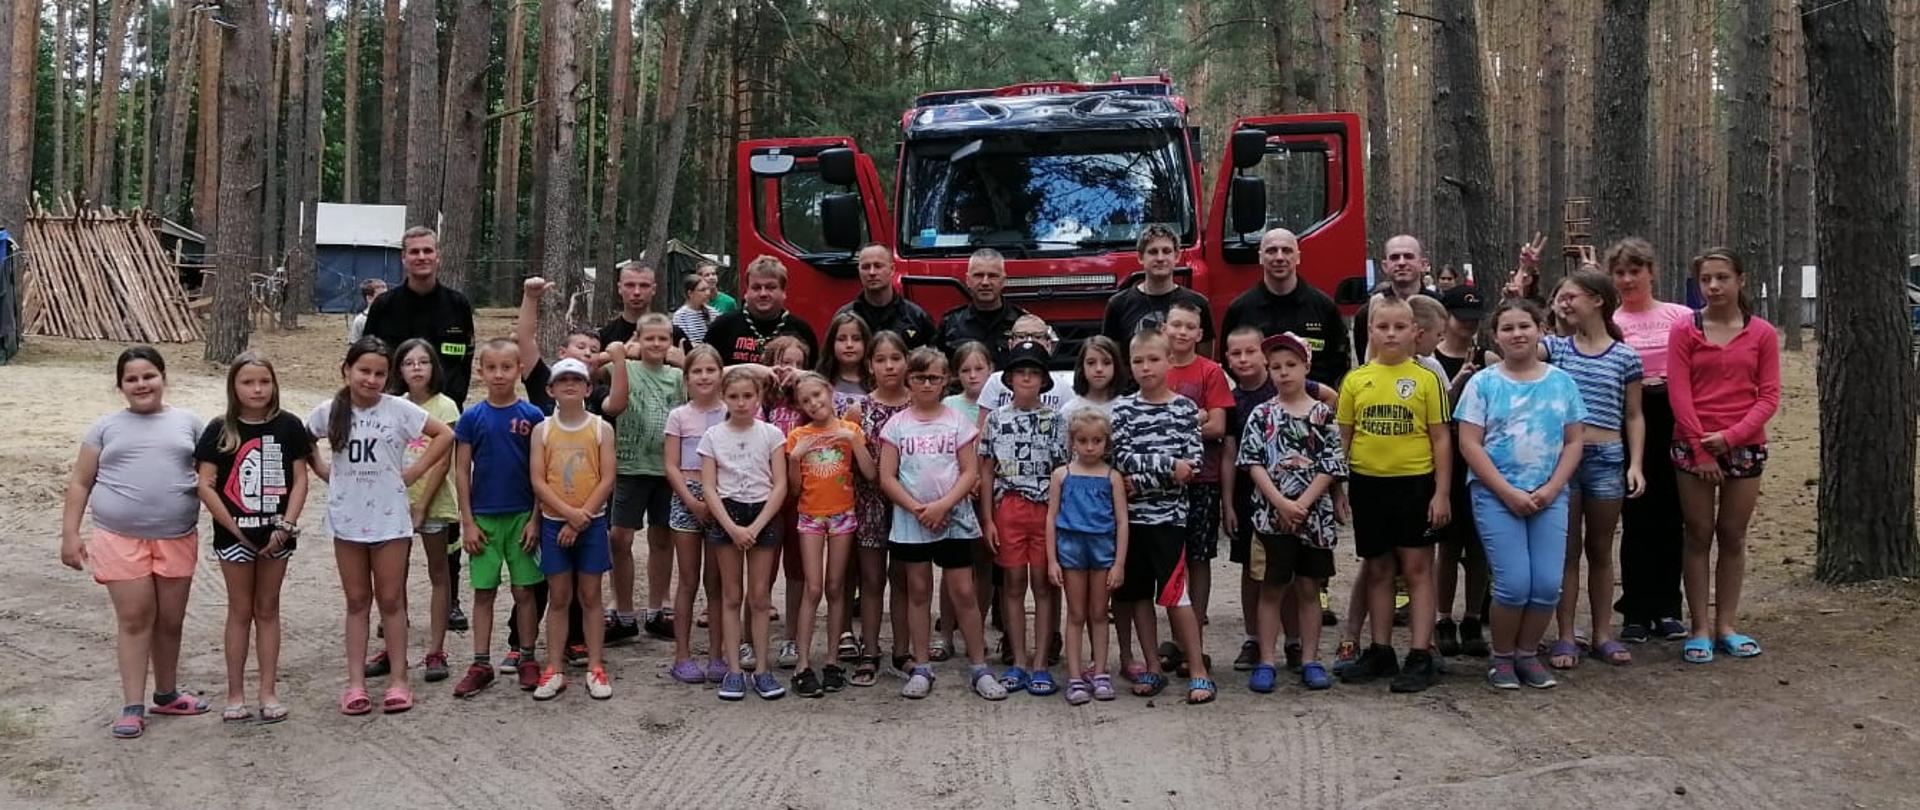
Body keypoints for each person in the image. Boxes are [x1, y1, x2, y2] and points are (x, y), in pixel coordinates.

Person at [61, 347, 209, 738]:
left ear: (163, 378)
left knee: (171, 621)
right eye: (132, 379)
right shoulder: (105, 428)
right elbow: (80, 481)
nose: (142, 384)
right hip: (119, 536)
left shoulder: (189, 423)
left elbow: (209, 477)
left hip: (176, 536)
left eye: (149, 376)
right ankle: (132, 705)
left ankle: (167, 693)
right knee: (135, 619)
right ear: (120, 386)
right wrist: (70, 534)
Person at [306, 337, 455, 715]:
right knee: (357, 601)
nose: (371, 380)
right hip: (347, 518)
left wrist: (413, 471)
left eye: (379, 373)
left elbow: (446, 434)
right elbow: (304, 438)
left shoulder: (399, 410)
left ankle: (399, 679)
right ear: (347, 370)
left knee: (391, 599)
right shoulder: (330, 410)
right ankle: (355, 683)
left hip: (389, 519)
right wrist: (324, 471)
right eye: (364, 371)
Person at [1456, 298, 1586, 689]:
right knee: (1513, 584)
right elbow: (1470, 443)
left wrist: (1551, 489)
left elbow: (1574, 441)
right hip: (1497, 496)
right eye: (1508, 328)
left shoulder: (1561, 382)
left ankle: (1528, 654)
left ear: (1540, 330)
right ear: (1495, 336)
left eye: (1524, 326)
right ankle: (1503, 657)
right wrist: (1506, 491)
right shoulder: (1484, 383)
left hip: (1549, 495)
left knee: (1547, 584)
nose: (1517, 334)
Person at [1335, 294, 1451, 694]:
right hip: (1369, 485)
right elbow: (1344, 440)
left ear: (1415, 333)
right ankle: (1380, 649)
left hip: (1414, 486)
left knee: (1417, 571)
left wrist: (1442, 493)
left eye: (1399, 327)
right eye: (1382, 327)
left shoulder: (1426, 379)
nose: (1390, 334)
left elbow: (1440, 438)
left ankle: (1420, 653)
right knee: (1379, 569)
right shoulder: (1355, 381)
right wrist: (1339, 489)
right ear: (1370, 331)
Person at [1668, 249, 1779, 664]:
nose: (1713, 287)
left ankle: (1726, 624)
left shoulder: (1762, 333)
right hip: (1693, 446)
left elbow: (1768, 396)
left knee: (1732, 534)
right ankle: (1698, 626)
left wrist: (1730, 438)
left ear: (1740, 281)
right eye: (1706, 280)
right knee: (1698, 534)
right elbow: (1679, 392)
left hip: (1744, 445)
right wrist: (1701, 449)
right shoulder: (1685, 330)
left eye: (1722, 278)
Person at [880, 347, 1006, 701]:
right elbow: (887, 476)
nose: (927, 384)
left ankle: (979, 666)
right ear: (909, 381)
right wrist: (919, 508)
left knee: (964, 592)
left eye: (934, 378)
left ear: (944, 380)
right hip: (912, 522)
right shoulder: (897, 425)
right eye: (919, 378)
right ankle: (921, 666)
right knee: (918, 592)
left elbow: (970, 471)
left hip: (953, 520)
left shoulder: (956, 422)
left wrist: (944, 505)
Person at [194, 353, 312, 724]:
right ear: (234, 387)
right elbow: (206, 484)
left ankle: (268, 690)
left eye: (264, 381)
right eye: (248, 382)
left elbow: (300, 480)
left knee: (268, 608)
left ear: (274, 384)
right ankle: (234, 693)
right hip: (235, 537)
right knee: (240, 610)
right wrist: (235, 530)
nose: (257, 389)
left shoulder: (290, 426)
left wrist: (286, 527)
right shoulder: (219, 430)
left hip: (277, 536)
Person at [1544, 268, 1646, 669]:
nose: (1567, 303)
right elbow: (1509, 348)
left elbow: (1634, 415)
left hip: (1607, 459)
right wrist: (1525, 291)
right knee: (1566, 552)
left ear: (1598, 300)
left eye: (1573, 296)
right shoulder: (1556, 350)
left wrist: (1636, 464)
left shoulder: (1625, 356)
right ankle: (1566, 635)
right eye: (1562, 297)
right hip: (1564, 462)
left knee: (1601, 550)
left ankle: (1603, 633)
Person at [1237, 333, 1347, 692]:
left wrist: (1303, 503)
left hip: (1314, 520)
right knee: (1271, 588)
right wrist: (1281, 503)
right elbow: (1252, 463)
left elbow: (1331, 464)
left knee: (1308, 589)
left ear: (1306, 367)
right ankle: (1267, 660)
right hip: (1271, 518)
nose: (1283, 373)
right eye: (1276, 367)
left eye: (1291, 366)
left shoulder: (1322, 414)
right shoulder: (1262, 414)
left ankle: (1311, 658)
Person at [1111, 325, 1214, 704]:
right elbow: (1121, 460)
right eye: (1138, 361)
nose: (1146, 367)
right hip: (1130, 523)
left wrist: (1150, 476)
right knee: (1137, 596)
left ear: (1170, 361)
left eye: (1153, 359)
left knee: (1176, 596)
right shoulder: (1122, 408)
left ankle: (1198, 670)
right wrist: (1168, 465)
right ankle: (1153, 667)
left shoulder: (1185, 408)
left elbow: (1193, 466)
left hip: (1169, 521)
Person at [1608, 237, 1696, 644]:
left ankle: (1668, 607)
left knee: (1672, 516)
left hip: (1675, 421)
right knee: (1637, 516)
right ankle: (1636, 609)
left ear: (1651, 272)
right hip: (1629, 423)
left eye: (1635, 271)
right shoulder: (1611, 322)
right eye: (1620, 273)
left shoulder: (1681, 316)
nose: (1628, 279)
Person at [450, 339, 548, 696]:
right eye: (491, 368)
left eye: (507, 367)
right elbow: (461, 472)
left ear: (519, 370)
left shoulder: (533, 417)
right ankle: (480, 662)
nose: (499, 374)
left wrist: (537, 519)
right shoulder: (472, 417)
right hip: (484, 520)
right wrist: (468, 522)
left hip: (522, 516)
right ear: (481, 372)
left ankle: (527, 656)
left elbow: (541, 473)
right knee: (484, 592)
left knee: (525, 590)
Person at [978, 341, 1070, 697]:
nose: (1027, 380)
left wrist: (1060, 517)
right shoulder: (997, 420)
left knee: (1044, 586)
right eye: (1021, 373)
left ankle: (1041, 663)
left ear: (1044, 381)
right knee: (1013, 584)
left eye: (1034, 373)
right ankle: (1017, 659)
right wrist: (987, 518)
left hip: (1046, 510)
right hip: (1009, 507)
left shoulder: (1057, 420)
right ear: (1010, 379)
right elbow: (986, 471)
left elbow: (1063, 471)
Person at [366, 340, 460, 685]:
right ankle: (394, 649)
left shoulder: (445, 406)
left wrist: (422, 504)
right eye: (409, 363)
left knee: (439, 573)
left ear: (434, 367)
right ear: (399, 370)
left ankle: (436, 649)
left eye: (424, 361)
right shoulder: (392, 406)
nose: (417, 368)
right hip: (394, 505)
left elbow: (443, 458)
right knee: (394, 578)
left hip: (433, 502)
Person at [527, 358, 618, 701]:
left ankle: (595, 666)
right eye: (562, 380)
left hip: (591, 524)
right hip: (554, 524)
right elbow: (537, 479)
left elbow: (608, 476)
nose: (569, 385)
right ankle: (554, 667)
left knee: (591, 596)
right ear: (550, 389)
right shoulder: (543, 430)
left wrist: (582, 517)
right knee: (559, 596)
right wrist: (568, 515)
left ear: (588, 388)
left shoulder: (600, 428)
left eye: (576, 380)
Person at [700, 365, 791, 701]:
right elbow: (708, 487)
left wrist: (755, 526)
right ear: (724, 397)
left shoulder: (771, 434)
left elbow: (780, 484)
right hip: (728, 514)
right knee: (731, 595)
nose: (741, 403)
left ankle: (763, 670)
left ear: (759, 398)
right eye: (734, 396)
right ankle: (734, 669)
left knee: (760, 597)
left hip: (762, 513)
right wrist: (732, 527)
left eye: (748, 396)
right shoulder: (713, 436)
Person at [784, 372, 876, 697]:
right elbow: (794, 490)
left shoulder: (850, 430)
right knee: (813, 587)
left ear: (830, 393)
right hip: (810, 515)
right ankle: (803, 663)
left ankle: (833, 660)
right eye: (806, 400)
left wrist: (852, 440)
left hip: (843, 514)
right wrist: (795, 459)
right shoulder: (797, 436)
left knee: (836, 587)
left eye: (817, 396)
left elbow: (869, 473)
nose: (814, 404)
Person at [604, 313, 685, 644]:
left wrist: (689, 358)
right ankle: (623, 612)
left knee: (662, 537)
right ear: (637, 339)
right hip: (629, 466)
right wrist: (618, 353)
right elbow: (593, 366)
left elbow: (714, 377)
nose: (656, 344)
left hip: (667, 468)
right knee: (619, 537)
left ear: (670, 343)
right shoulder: (623, 368)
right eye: (649, 338)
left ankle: (657, 609)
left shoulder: (678, 376)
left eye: (662, 339)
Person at [1160, 300, 1235, 645]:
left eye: (1190, 327)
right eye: (1176, 325)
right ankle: (1177, 636)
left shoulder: (1210, 372)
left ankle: (1197, 631)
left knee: (1199, 556)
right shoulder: (1156, 369)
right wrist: (1196, 418)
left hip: (1203, 480)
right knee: (1170, 556)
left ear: (1200, 333)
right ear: (1165, 328)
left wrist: (1172, 425)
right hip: (1162, 482)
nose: (1182, 332)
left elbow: (1219, 425)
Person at [1431, 285, 1496, 659]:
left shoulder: (1489, 358)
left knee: (1478, 545)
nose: (1468, 327)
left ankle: (1472, 616)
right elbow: (1437, 413)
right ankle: (1443, 617)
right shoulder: (1432, 360)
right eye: (1461, 319)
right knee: (1448, 544)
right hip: (1447, 461)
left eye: (1474, 320)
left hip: (1481, 460)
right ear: (1446, 318)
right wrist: (1458, 383)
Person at [1047, 409, 1128, 705]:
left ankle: (1102, 671)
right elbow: (1051, 518)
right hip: (1071, 549)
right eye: (1083, 440)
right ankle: (1075, 676)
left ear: (1106, 443)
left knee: (1098, 613)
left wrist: (1119, 563)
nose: (1090, 447)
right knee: (1076, 613)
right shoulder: (1062, 475)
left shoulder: (1112, 476)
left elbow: (1122, 521)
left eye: (1096, 441)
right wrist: (1052, 559)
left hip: (1102, 550)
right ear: (1072, 441)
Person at [848, 331, 912, 687]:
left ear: (906, 361)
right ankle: (869, 649)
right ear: (870, 366)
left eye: (896, 358)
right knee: (871, 580)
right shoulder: (860, 409)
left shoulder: (917, 405)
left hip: (906, 506)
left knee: (904, 579)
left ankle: (902, 649)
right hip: (869, 504)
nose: (889, 366)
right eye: (881, 360)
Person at [664, 345, 729, 685]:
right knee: (688, 579)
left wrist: (715, 501)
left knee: (717, 582)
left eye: (711, 370)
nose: (704, 377)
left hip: (722, 499)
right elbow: (671, 465)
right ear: (686, 378)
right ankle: (682, 655)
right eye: (697, 372)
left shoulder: (732, 412)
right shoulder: (679, 416)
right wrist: (691, 500)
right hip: (687, 498)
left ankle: (718, 654)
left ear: (721, 374)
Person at [1219, 228, 1351, 387]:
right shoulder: (1240, 309)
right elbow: (1229, 360)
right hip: (1258, 402)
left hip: (1313, 403)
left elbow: (1339, 361)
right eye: (1271, 251)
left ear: (1298, 257)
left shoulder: (1324, 307)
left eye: (1287, 251)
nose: (1279, 257)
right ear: (1260, 258)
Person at [361, 227, 476, 406]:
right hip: (392, 408)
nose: (421, 257)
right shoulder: (383, 306)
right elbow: (367, 357)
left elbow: (465, 361)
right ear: (404, 258)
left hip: (444, 411)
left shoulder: (458, 304)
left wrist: (454, 400)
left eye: (428, 251)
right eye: (414, 252)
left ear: (438, 257)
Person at [1102, 224, 1213, 354]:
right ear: (1140, 257)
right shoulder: (1118, 306)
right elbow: (1112, 362)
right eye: (1153, 252)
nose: (1160, 258)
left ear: (1176, 256)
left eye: (1166, 251)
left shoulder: (1199, 304)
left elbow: (1205, 361)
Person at [706, 256, 819, 365]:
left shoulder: (801, 331)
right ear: (747, 291)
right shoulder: (723, 327)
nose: (763, 294)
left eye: (770, 287)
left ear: (783, 291)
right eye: (756, 288)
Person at [1352, 234, 1441, 363]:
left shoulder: (1440, 307)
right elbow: (1364, 364)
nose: (1401, 262)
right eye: (1394, 258)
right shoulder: (1367, 313)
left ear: (1423, 264)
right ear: (1385, 266)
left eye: (1408, 256)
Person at [936, 248, 1029, 362]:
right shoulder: (950, 324)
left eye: (993, 276)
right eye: (978, 275)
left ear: (1003, 281)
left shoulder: (1023, 323)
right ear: (968, 280)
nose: (985, 282)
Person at [839, 244, 936, 349]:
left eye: (878, 266)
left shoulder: (916, 318)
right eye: (865, 267)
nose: (872, 272)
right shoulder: (845, 317)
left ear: (892, 269)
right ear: (859, 271)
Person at [1061, 335, 1128, 420]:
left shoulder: (1127, 408)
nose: (1099, 369)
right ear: (1082, 367)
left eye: (1106, 363)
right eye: (1091, 363)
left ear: (1116, 366)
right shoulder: (1069, 411)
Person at [598, 261, 660, 347]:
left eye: (644, 285)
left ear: (653, 289)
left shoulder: (672, 334)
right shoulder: (603, 337)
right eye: (630, 285)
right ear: (619, 288)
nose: (637, 292)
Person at [817, 311, 873, 402]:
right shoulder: (818, 381)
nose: (849, 345)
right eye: (841, 339)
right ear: (831, 344)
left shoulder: (877, 382)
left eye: (856, 339)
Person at [944, 341, 995, 427]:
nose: (972, 375)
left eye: (979, 369)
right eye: (965, 371)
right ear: (957, 373)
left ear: (990, 369)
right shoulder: (949, 405)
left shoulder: (1000, 403)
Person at [672, 272, 722, 350]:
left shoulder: (714, 313)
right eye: (702, 290)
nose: (707, 293)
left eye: (708, 289)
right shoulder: (680, 316)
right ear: (690, 293)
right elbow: (683, 343)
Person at [346, 278, 387, 343]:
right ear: (369, 298)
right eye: (381, 296)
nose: (386, 299)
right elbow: (355, 347)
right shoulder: (360, 321)